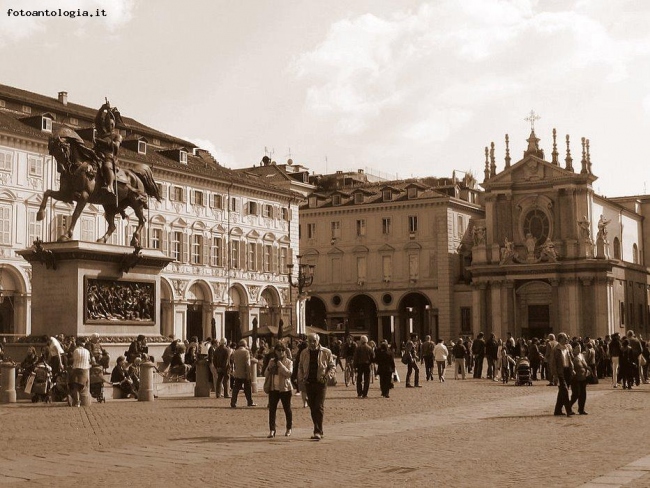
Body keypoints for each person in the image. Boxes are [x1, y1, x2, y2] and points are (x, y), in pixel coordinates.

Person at [297, 333, 336, 440]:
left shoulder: (326, 352)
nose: (312, 343)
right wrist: (301, 378)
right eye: (310, 341)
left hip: (321, 383)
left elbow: (332, 366)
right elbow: (300, 366)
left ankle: (317, 431)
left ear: (318, 341)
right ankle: (318, 428)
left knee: (319, 406)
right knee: (312, 406)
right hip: (309, 382)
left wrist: (327, 377)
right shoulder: (304, 352)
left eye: (314, 341)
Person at [265, 343, 293, 438]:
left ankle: (289, 428)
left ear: (285, 351)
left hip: (285, 389)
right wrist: (269, 368)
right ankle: (272, 430)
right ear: (275, 351)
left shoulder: (288, 362)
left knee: (287, 409)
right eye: (278, 350)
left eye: (282, 350)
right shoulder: (271, 361)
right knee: (272, 410)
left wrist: (280, 365)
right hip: (273, 388)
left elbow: (289, 374)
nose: (280, 352)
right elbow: (266, 373)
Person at [553, 333, 574, 417]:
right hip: (560, 372)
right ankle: (569, 410)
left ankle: (557, 410)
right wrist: (555, 375)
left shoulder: (567, 348)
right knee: (564, 390)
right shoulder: (555, 349)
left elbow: (570, 359)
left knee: (562, 391)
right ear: (560, 339)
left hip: (567, 371)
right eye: (565, 338)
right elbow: (553, 363)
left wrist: (572, 369)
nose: (567, 340)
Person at [231, 340, 256, 408]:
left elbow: (233, 361)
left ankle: (233, 402)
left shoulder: (235, 352)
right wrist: (248, 373)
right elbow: (247, 364)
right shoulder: (246, 352)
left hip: (237, 372)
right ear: (245, 345)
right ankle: (250, 401)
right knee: (248, 389)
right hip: (245, 373)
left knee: (236, 389)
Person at [68, 339, 91, 407]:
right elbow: (89, 360)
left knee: (76, 386)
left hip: (77, 369)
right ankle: (85, 401)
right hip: (85, 370)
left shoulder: (76, 351)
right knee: (83, 386)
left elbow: (74, 359)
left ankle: (77, 401)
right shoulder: (87, 351)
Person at [569, 343, 590, 415]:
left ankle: (581, 409)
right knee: (576, 394)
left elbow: (585, 364)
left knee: (583, 394)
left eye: (580, 347)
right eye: (577, 348)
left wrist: (587, 370)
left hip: (583, 377)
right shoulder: (571, 356)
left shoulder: (581, 355)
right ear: (573, 349)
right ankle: (568, 406)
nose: (579, 349)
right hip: (575, 378)